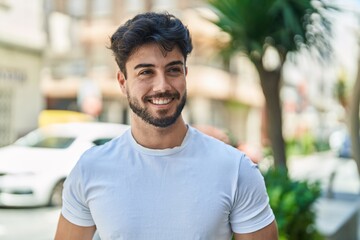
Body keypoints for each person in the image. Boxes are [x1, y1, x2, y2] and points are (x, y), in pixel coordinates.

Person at [54, 12, 278, 240]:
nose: (162, 85)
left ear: (185, 74)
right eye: (145, 72)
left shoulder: (235, 170)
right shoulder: (90, 170)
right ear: (123, 82)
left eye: (173, 70)